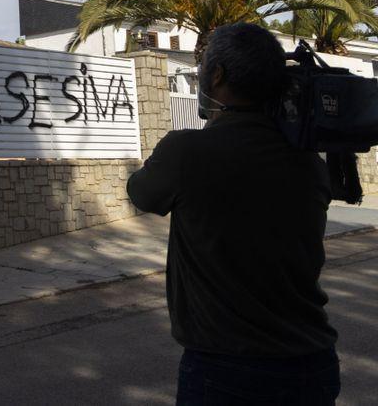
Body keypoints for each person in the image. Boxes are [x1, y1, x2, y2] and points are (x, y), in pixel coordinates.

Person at [127, 22, 340, 404]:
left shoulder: (186, 152)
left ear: (218, 75)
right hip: (312, 364)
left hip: (226, 371)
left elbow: (141, 194)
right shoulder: (307, 160)